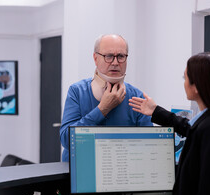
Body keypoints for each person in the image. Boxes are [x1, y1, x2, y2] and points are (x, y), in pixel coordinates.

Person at [129, 52, 210, 195]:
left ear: (197, 85)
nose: (184, 82)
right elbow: (191, 129)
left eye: (185, 77)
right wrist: (157, 112)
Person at [60, 34, 152, 162]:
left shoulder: (137, 97)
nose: (115, 62)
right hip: (79, 173)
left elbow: (149, 148)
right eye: (108, 56)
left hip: (120, 173)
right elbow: (66, 140)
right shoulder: (77, 91)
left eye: (121, 56)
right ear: (95, 58)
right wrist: (102, 109)